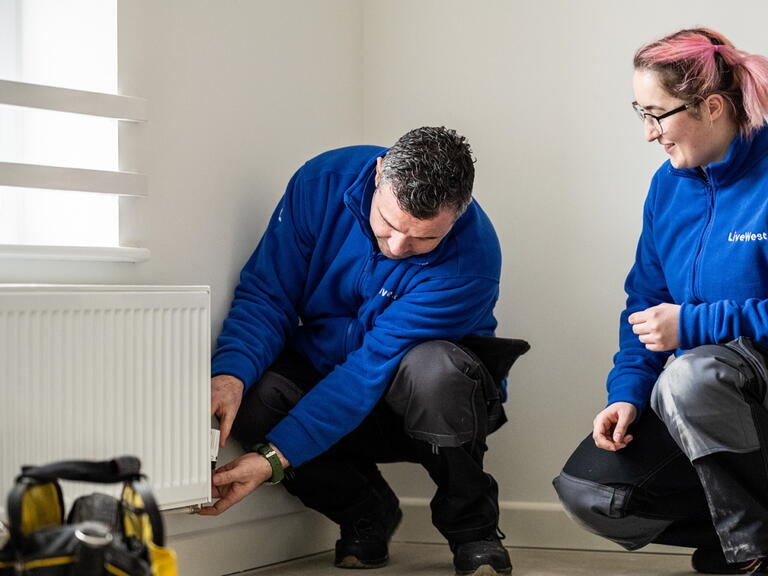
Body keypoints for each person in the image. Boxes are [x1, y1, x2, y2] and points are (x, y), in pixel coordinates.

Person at [199, 126, 528, 576]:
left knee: (437, 372)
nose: (397, 248)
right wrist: (231, 373)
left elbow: (368, 369)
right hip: (326, 377)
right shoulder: (320, 184)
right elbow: (269, 294)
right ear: (377, 175)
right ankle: (365, 512)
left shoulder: (472, 259)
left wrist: (273, 459)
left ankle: (474, 531)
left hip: (419, 406)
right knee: (259, 397)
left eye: (423, 240)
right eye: (389, 224)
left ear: (459, 213)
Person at [553, 28, 768, 575]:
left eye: (658, 114)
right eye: (639, 113)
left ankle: (751, 553)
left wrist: (694, 324)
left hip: (734, 388)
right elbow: (645, 303)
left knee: (692, 376)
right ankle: (751, 536)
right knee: (590, 492)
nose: (649, 133)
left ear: (712, 106)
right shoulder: (667, 188)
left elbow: (682, 327)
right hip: (711, 406)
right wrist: (627, 391)